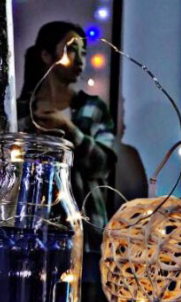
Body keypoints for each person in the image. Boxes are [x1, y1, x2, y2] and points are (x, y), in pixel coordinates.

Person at [17, 22, 116, 265]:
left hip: (85, 230)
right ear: (46, 55)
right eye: (72, 49)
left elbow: (103, 165)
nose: (80, 59)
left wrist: (71, 131)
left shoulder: (92, 108)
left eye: (84, 52)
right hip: (29, 229)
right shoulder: (20, 111)